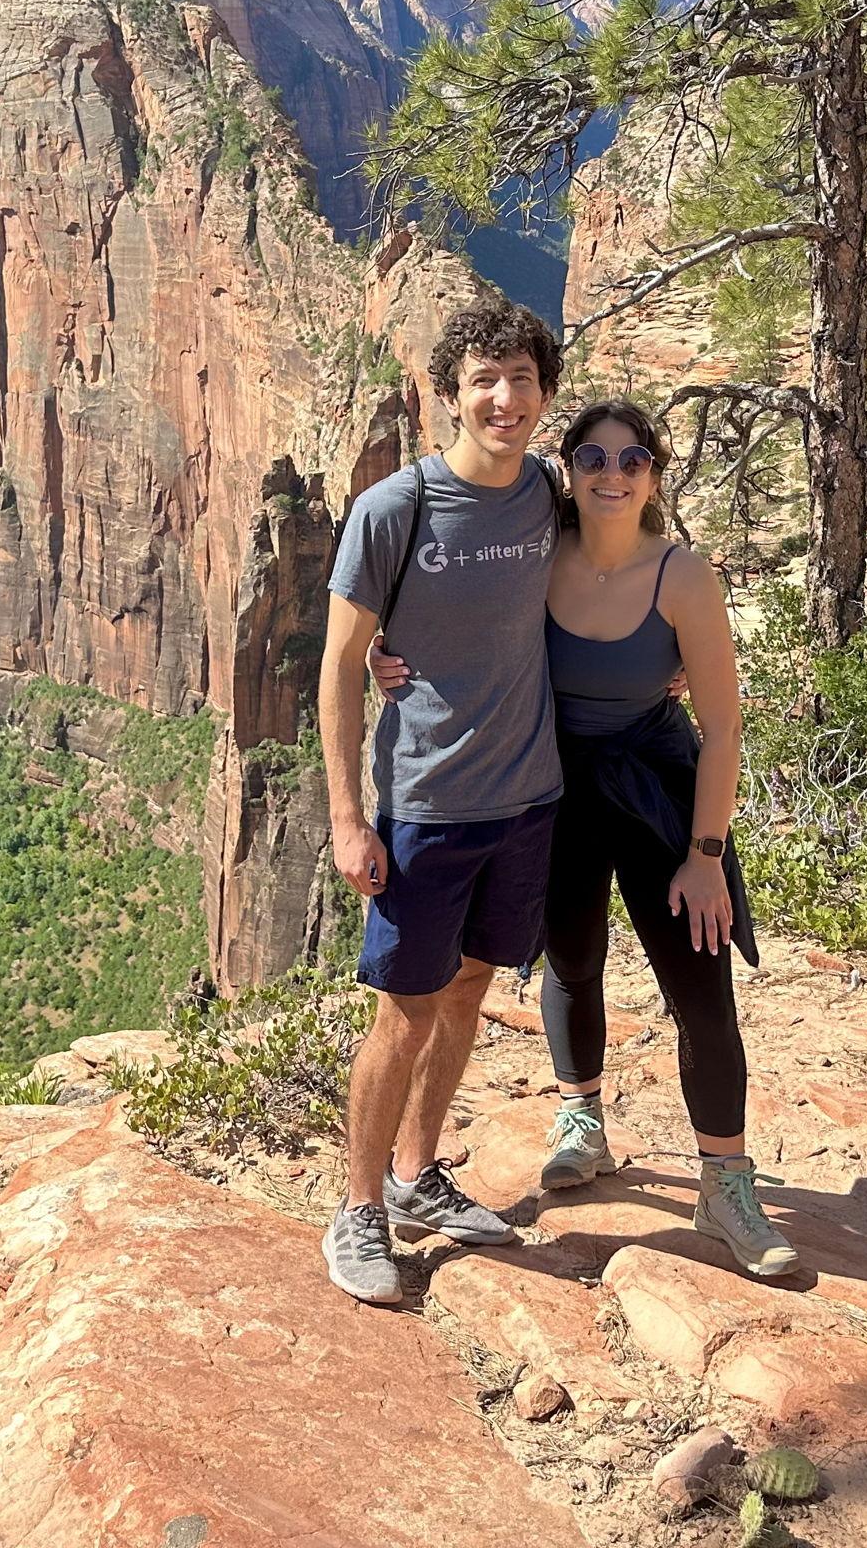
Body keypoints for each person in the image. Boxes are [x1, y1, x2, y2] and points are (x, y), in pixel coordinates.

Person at [369, 398, 798, 1279]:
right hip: (549, 786)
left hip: (654, 790)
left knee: (698, 981)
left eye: (632, 459)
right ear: (566, 469)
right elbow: (455, 599)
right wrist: (386, 647)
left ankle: (725, 1182)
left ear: (653, 474)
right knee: (570, 960)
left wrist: (705, 855)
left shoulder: (682, 577)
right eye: (594, 458)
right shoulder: (540, 553)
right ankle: (581, 1120)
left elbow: (722, 726)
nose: (613, 473)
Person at [317, 295, 565, 1306]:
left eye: (522, 379)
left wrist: (668, 661)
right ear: (448, 395)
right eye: (484, 381)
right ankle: (358, 1207)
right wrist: (345, 814)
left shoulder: (548, 491)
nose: (504, 399)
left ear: (543, 392)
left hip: (528, 797)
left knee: (467, 987)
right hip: (425, 803)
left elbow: (610, 584)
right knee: (402, 1014)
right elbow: (339, 665)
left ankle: (419, 1176)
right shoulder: (396, 508)